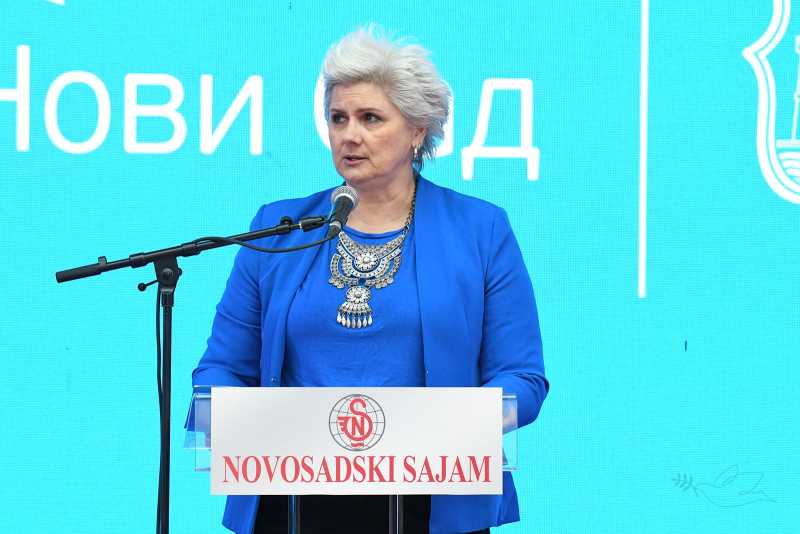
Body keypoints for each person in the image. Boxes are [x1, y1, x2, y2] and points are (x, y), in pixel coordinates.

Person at [190, 25, 549, 534]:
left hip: (432, 503)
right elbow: (221, 368)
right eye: (338, 118)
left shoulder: (480, 230)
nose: (349, 135)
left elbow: (522, 378)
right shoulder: (281, 230)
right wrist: (227, 419)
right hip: (290, 502)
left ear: (418, 130)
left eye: (370, 118)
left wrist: (451, 426)